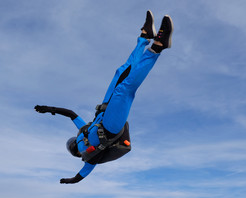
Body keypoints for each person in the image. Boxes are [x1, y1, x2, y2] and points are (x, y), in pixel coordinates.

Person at [35, 10, 173, 184]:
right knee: (125, 89)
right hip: (110, 129)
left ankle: (145, 37)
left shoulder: (83, 130)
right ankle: (158, 46)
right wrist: (70, 180)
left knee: (120, 73)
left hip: (103, 111)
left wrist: (49, 109)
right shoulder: (88, 156)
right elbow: (81, 175)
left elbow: (71, 114)